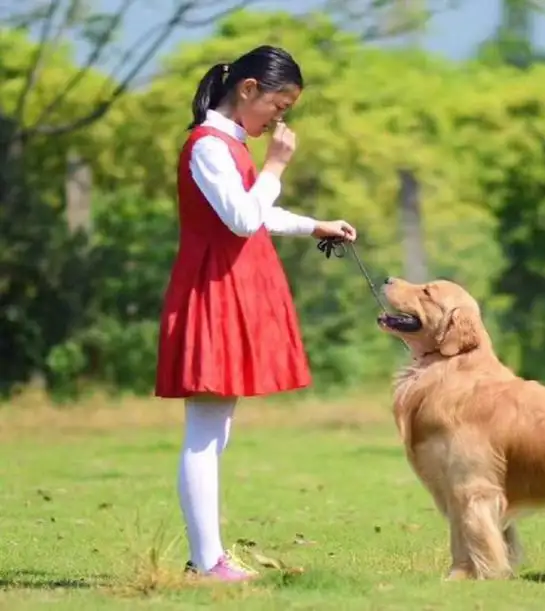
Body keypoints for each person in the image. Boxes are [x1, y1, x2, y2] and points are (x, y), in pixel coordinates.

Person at [155, 45, 357, 583]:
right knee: (205, 430)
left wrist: (315, 225)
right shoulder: (208, 146)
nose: (279, 119)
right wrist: (276, 166)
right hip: (214, 292)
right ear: (248, 90)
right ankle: (206, 561)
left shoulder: (230, 147)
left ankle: (208, 555)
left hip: (231, 289)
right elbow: (244, 217)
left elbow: (255, 210)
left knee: (215, 431)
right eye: (278, 104)